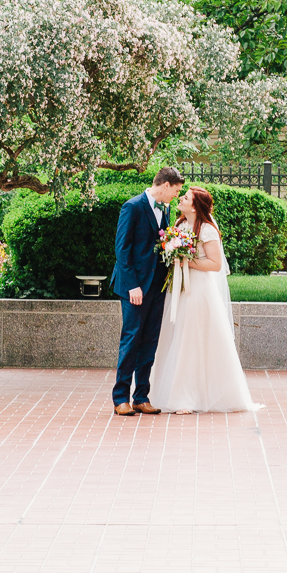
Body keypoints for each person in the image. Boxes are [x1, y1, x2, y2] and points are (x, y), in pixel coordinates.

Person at [149, 186, 262, 414]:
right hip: (178, 289)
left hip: (199, 290)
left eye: (186, 197)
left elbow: (215, 265)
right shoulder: (179, 226)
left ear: (195, 205)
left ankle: (187, 398)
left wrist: (186, 260)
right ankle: (167, 391)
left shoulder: (207, 230)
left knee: (192, 340)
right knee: (175, 337)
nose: (181, 198)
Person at [109, 167, 185, 416]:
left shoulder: (166, 208)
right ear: (165, 185)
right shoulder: (132, 207)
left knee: (150, 341)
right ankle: (121, 398)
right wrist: (133, 286)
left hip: (157, 286)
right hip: (134, 287)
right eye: (175, 190)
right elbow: (122, 250)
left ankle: (141, 396)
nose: (176, 196)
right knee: (131, 340)